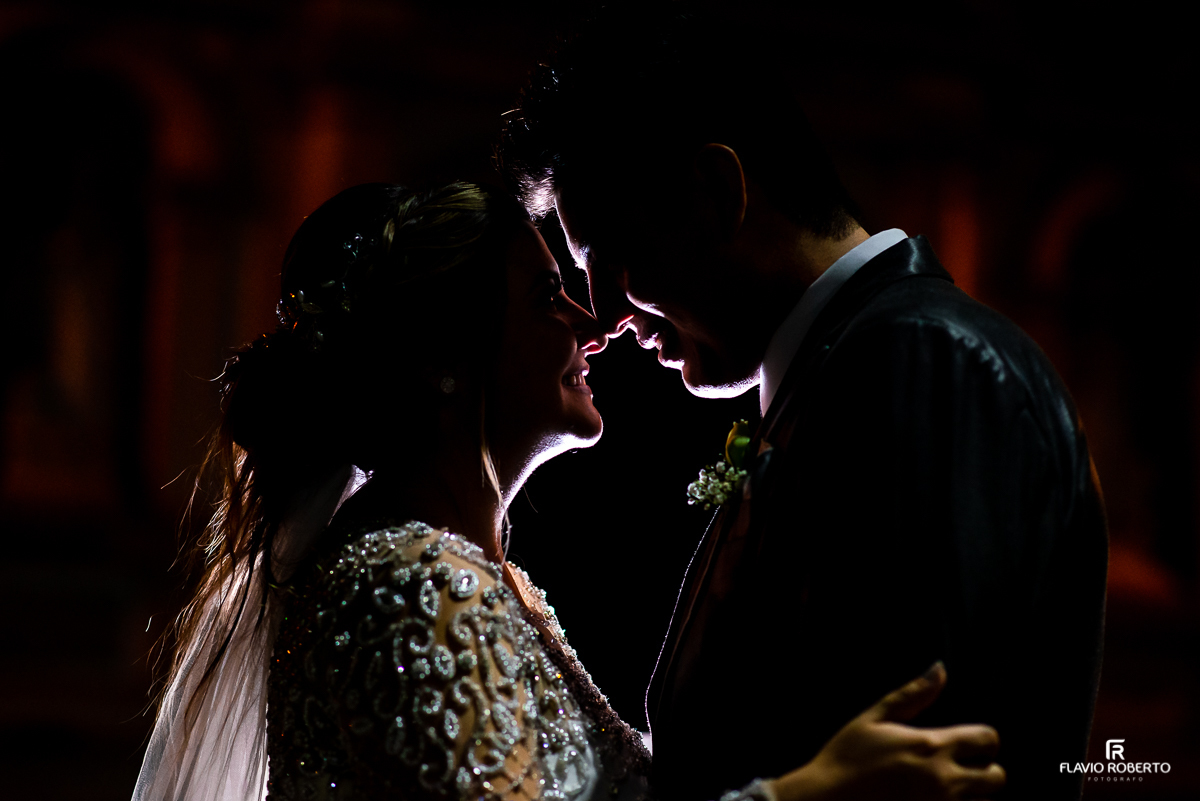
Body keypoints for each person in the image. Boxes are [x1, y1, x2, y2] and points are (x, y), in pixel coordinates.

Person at [132, 182, 1007, 801]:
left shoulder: (482, 579)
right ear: (444, 357)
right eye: (546, 295)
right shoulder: (409, 582)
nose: (592, 324)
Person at [495, 5, 1108, 800]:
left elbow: (917, 758)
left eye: (614, 259)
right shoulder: (844, 374)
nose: (602, 314)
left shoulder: (919, 362)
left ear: (717, 192)